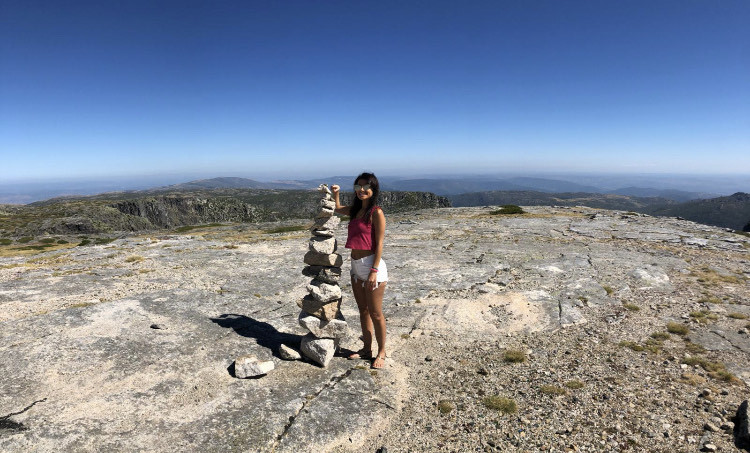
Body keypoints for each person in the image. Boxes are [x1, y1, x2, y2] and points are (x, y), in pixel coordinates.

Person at [331, 172, 388, 369]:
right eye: (358, 186)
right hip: (356, 266)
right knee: (363, 311)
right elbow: (337, 209)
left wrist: (374, 270)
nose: (361, 190)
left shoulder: (376, 213)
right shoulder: (355, 211)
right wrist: (335, 193)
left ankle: (381, 351)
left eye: (366, 187)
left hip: (372, 265)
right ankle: (366, 348)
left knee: (376, 313)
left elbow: (379, 244)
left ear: (373, 190)